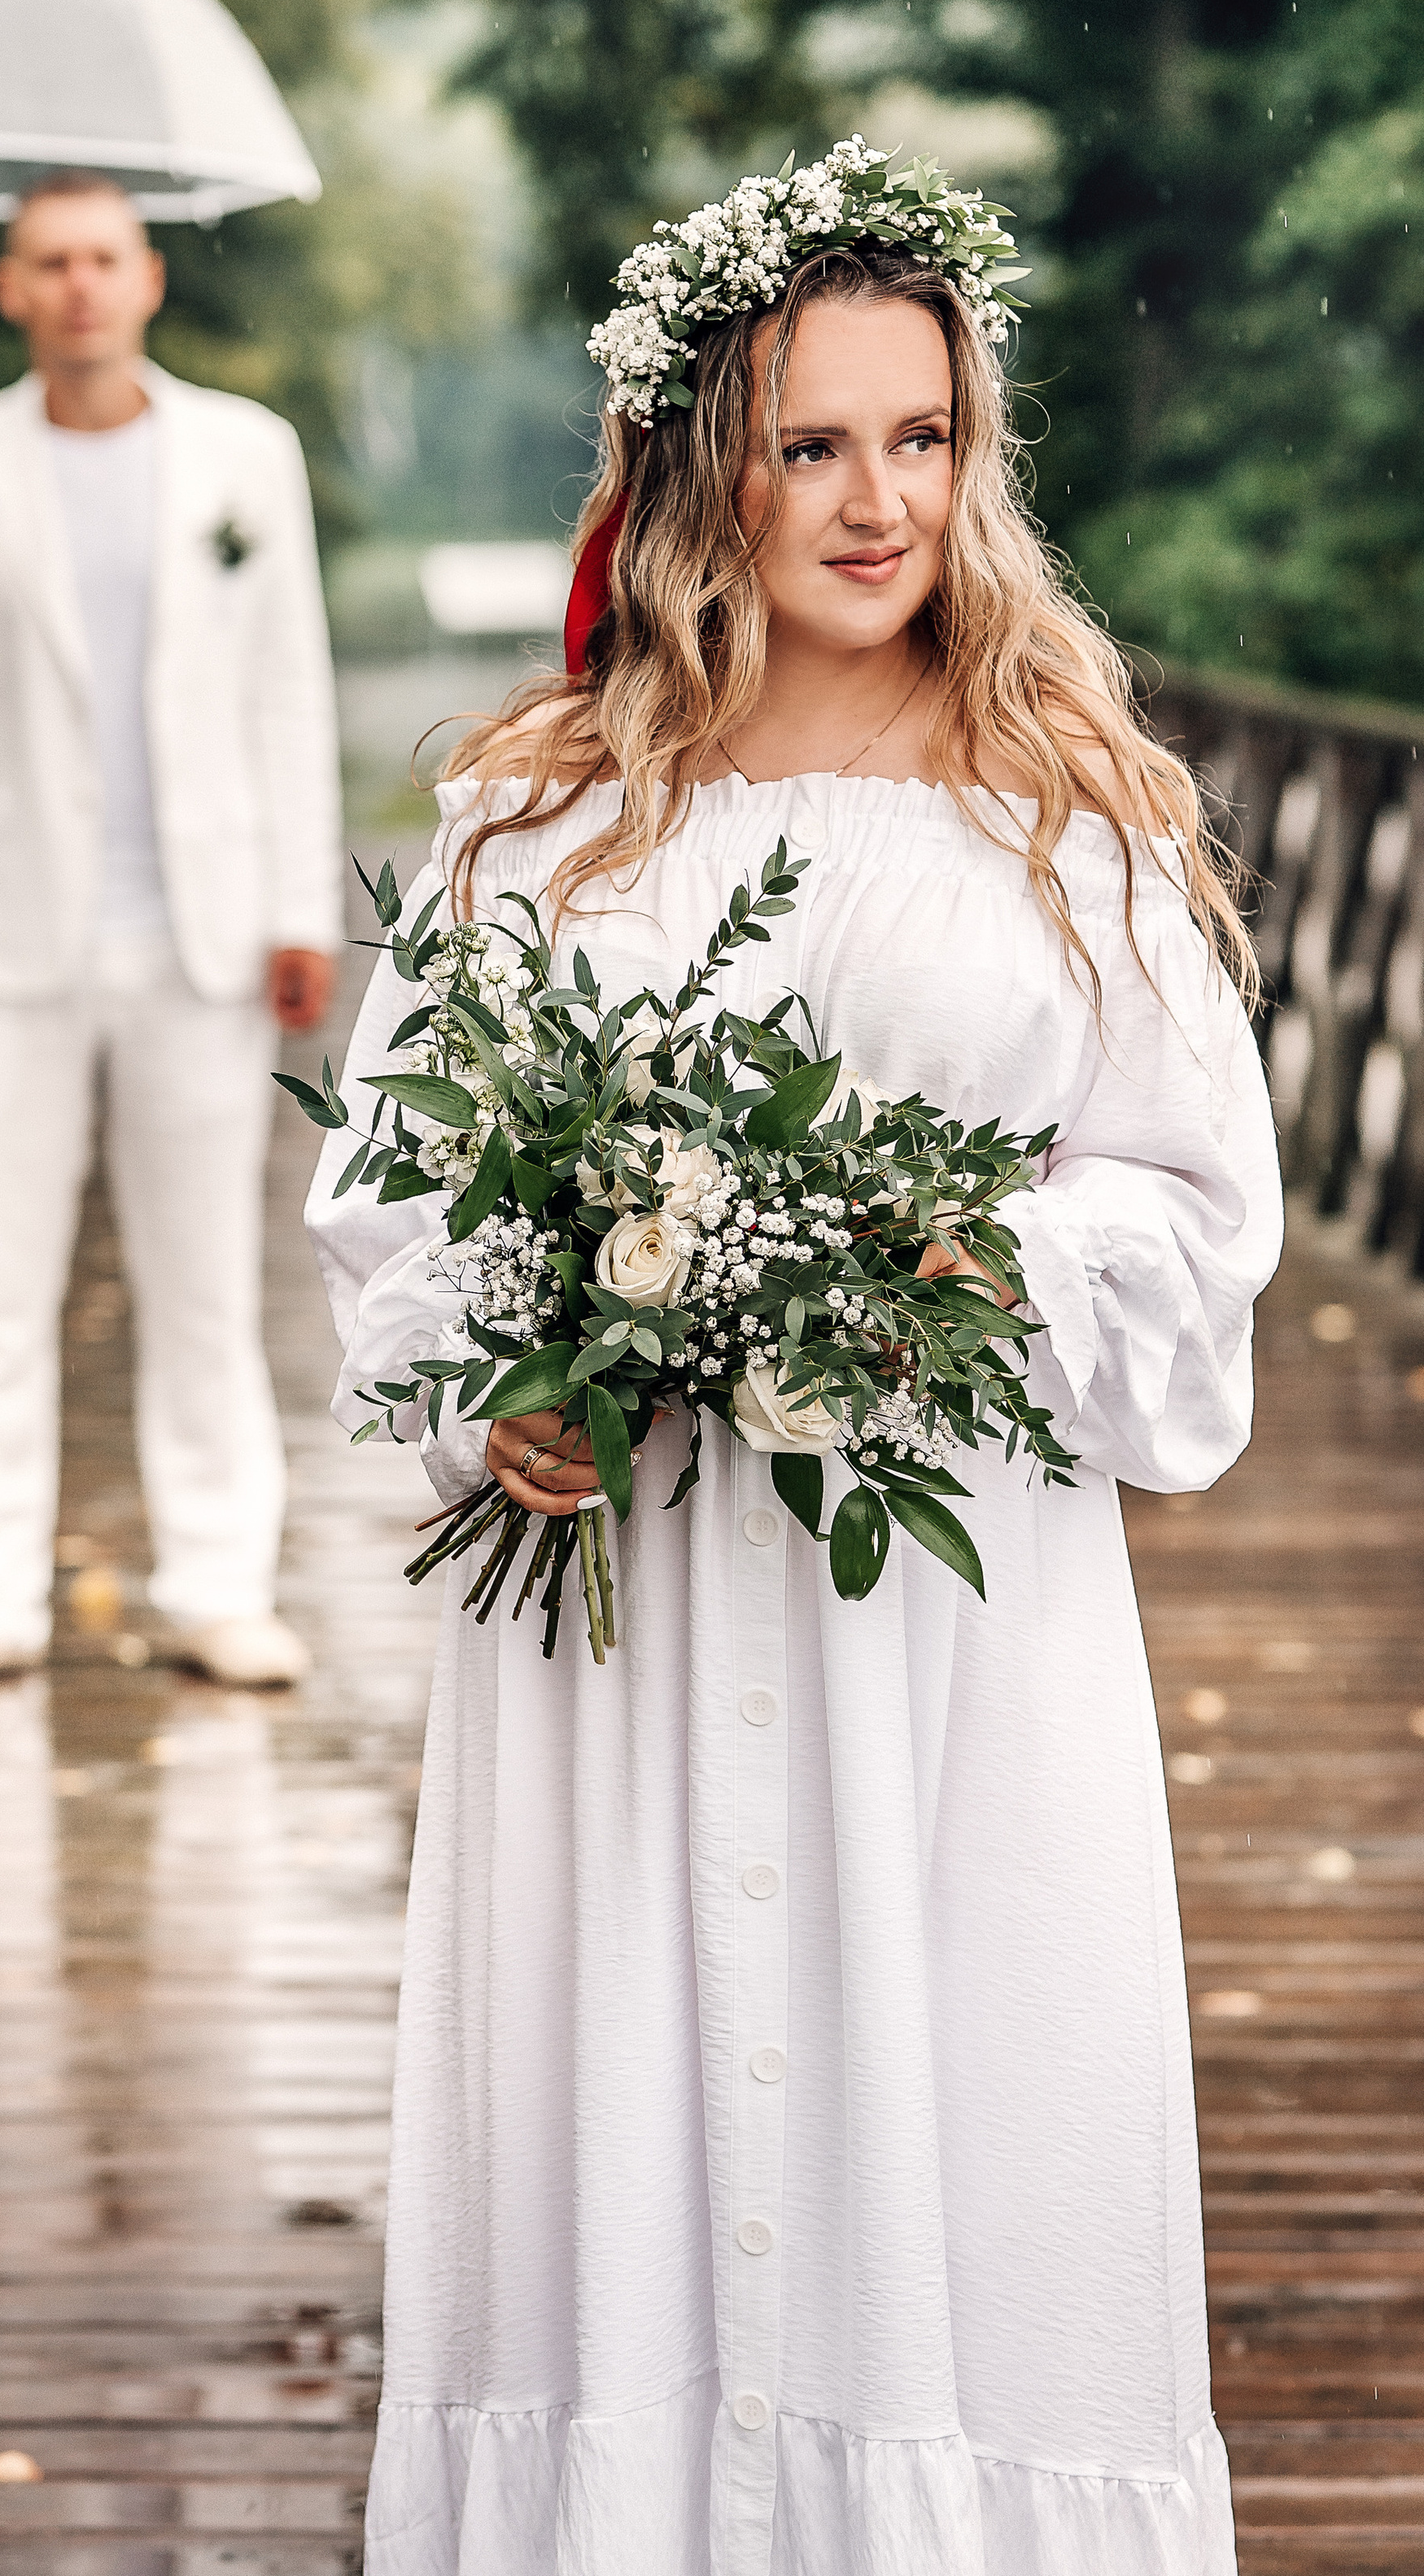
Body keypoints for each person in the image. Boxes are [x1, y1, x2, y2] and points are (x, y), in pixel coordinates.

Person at [308, 141, 1282, 2572]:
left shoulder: (1077, 818)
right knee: (630, 2115)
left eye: (922, 439)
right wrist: (500, 1367)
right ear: (695, 465)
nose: (876, 502)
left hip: (945, 1623)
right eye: (814, 442)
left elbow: (1188, 1219)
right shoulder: (535, 824)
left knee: (962, 2116)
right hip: (618, 1630)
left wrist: (974, 1260)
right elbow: (395, 1202)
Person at [0, 169, 339, 1694]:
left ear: (149, 279)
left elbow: (286, 691)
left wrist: (301, 907)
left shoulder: (247, 457)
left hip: (202, 933)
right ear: (7, 288)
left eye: (104, 258)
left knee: (202, 1278)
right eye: (48, 262)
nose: (79, 287)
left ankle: (217, 1580)